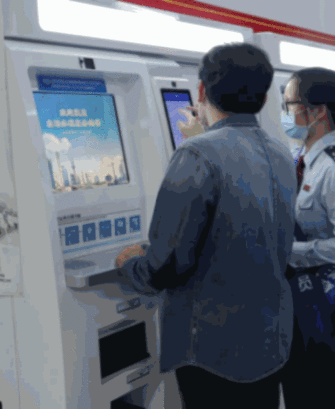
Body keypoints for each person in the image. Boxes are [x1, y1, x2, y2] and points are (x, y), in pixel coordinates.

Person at [114, 43, 297, 409]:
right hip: (270, 338)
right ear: (264, 97)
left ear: (201, 90)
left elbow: (166, 264)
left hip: (212, 347)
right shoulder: (281, 153)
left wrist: (129, 264)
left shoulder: (195, 155)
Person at [278, 68, 335, 409]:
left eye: (289, 104)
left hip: (332, 299)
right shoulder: (304, 160)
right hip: (304, 296)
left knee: (326, 389)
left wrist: (290, 252)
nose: (285, 113)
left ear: (317, 111)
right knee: (300, 386)